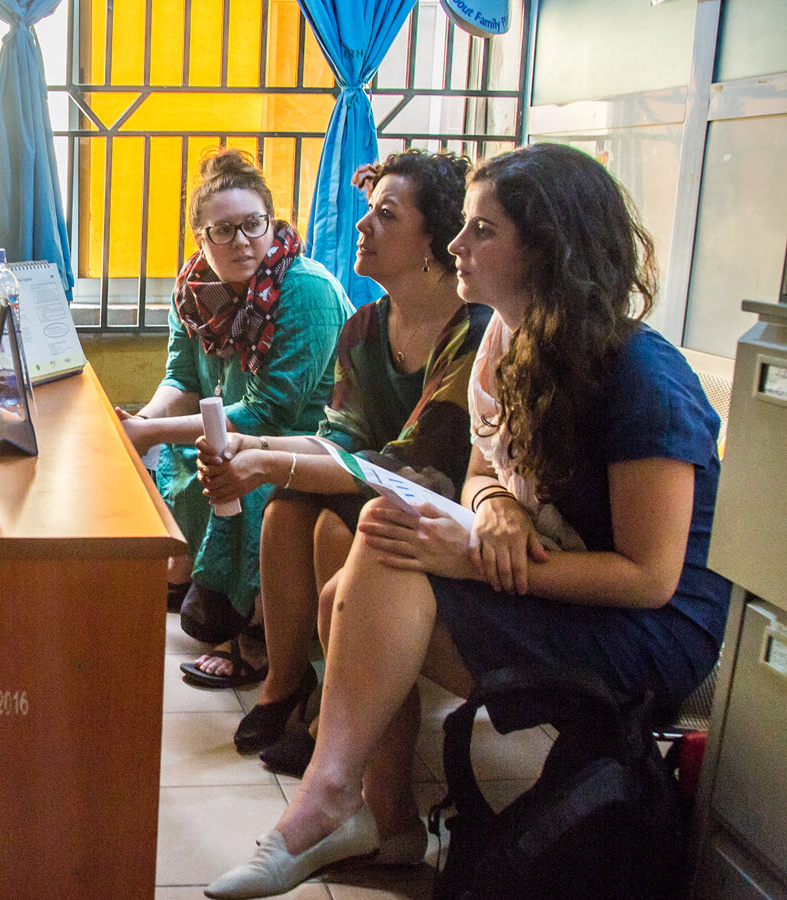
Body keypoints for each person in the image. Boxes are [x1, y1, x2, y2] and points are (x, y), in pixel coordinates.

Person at [204, 142, 728, 898]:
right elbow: (486, 468)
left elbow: (651, 579)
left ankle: (333, 805)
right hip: (558, 575)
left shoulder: (643, 374)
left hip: (649, 629)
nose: (456, 244)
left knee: (387, 558)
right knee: (370, 560)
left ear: (549, 249)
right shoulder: (506, 340)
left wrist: (475, 555)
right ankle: (380, 817)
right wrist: (496, 507)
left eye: (481, 230)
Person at [193, 151, 491, 771]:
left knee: (334, 523)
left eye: (385, 214)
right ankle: (283, 681)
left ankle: (339, 714)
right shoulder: (362, 329)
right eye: (368, 211)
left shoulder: (476, 332)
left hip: (438, 506)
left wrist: (268, 459)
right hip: (375, 480)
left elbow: (414, 467)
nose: (361, 227)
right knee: (283, 509)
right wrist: (254, 453)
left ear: (435, 239)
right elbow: (340, 439)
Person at [118, 148, 352, 677]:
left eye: (253, 224)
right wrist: (137, 424)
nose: (242, 241)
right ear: (200, 238)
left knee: (240, 473)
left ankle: (259, 631)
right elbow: (181, 378)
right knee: (179, 454)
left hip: (299, 439)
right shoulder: (195, 292)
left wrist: (147, 431)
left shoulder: (304, 291)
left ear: (272, 222)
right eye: (223, 230)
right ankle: (192, 580)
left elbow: (269, 412)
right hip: (235, 426)